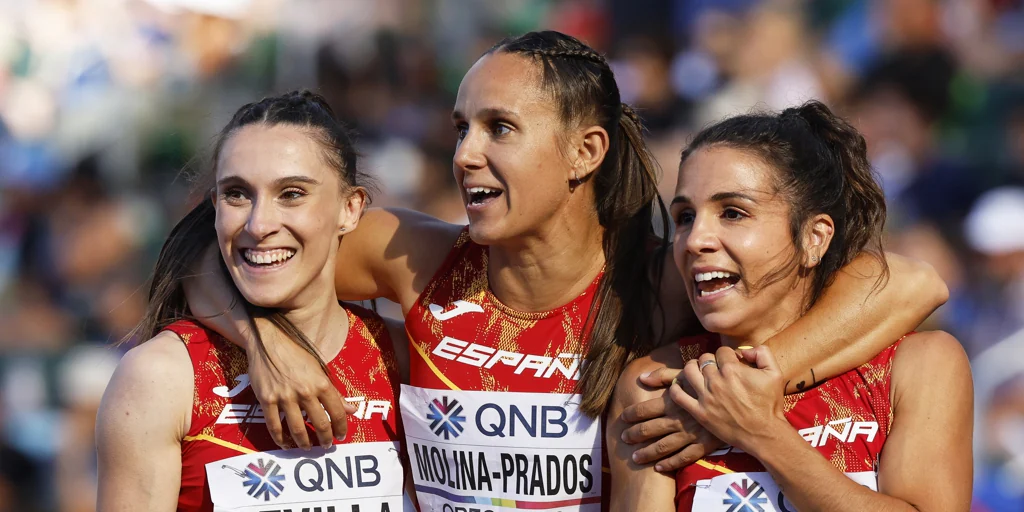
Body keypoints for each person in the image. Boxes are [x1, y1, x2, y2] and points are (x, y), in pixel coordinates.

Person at [186, 32, 948, 509]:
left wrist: (759, 379)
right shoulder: (415, 258)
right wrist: (265, 343)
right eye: (459, 128)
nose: (464, 154)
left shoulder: (658, 279)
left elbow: (911, 283)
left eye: (499, 129)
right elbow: (219, 245)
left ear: (586, 153)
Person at [607, 101, 973, 511]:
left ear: (813, 238)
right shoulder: (658, 387)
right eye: (685, 216)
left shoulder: (918, 365)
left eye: (732, 213)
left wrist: (762, 432)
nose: (695, 240)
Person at [96, 91, 410, 511]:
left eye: (292, 193)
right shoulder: (160, 376)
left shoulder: (404, 359)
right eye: (237, 194)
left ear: (350, 209)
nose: (259, 224)